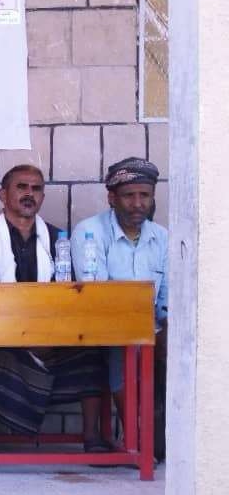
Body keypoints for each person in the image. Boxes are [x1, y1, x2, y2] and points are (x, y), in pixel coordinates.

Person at [0, 165, 111, 451]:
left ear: (42, 196)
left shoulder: (58, 239)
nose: (29, 194)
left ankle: (91, 436)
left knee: (91, 353)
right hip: (0, 334)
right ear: (3, 195)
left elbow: (66, 296)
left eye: (36, 189)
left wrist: (45, 335)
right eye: (21, 187)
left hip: (51, 336)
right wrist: (22, 334)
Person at [71, 157, 168, 455]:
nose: (138, 203)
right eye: (129, 195)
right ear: (111, 198)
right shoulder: (90, 232)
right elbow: (98, 296)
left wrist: (165, 331)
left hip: (151, 328)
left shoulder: (162, 237)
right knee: (124, 346)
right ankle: (136, 434)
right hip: (106, 327)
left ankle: (161, 428)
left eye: (145, 195)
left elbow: (167, 298)